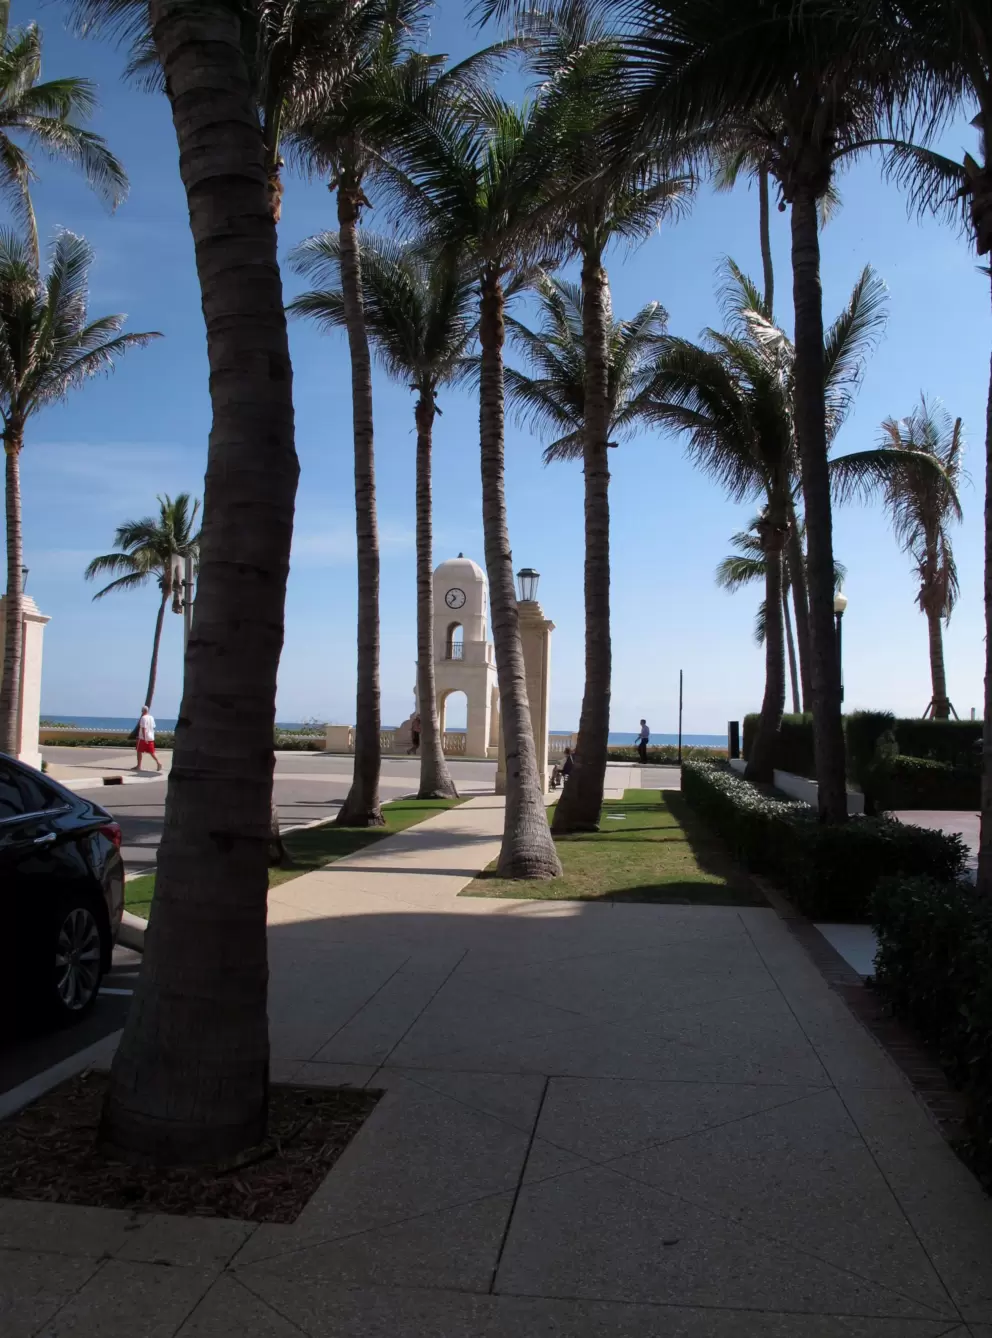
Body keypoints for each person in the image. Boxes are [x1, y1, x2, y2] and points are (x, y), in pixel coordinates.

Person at [136, 705, 162, 772]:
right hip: (151, 737)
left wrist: (144, 738)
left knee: (139, 751)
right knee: (151, 752)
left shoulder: (143, 718)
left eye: (142, 711)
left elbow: (143, 728)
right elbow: (153, 727)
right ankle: (158, 763)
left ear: (143, 711)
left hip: (143, 738)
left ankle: (139, 766)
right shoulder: (151, 717)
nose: (141, 712)